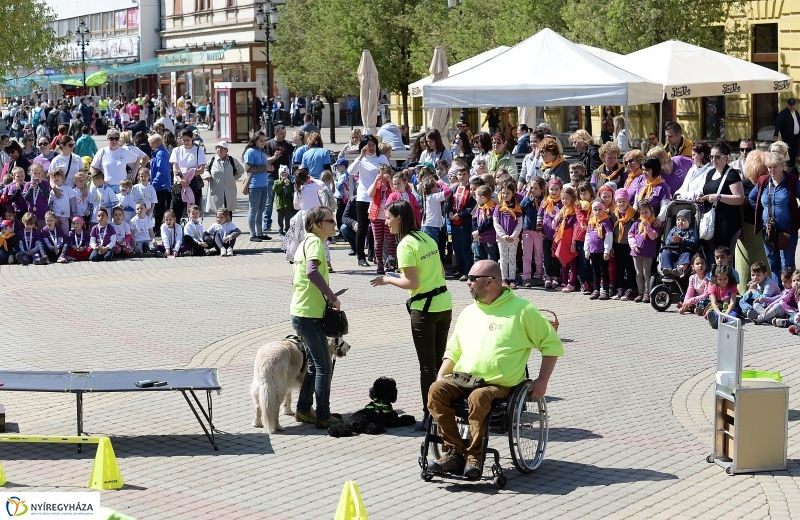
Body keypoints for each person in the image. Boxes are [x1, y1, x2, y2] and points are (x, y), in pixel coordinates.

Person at [426, 259, 563, 478]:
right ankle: (454, 452)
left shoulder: (522, 310)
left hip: (499, 384)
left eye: (472, 278)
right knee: (436, 391)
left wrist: (542, 380)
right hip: (464, 379)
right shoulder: (468, 312)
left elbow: (551, 344)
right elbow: (453, 350)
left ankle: (474, 456)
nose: (467, 282)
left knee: (478, 397)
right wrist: (441, 375)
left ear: (489, 281)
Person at [369, 199, 452, 428]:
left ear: (399, 218)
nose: (386, 222)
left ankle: (430, 415)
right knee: (440, 365)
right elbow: (441, 273)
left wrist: (387, 279)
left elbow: (411, 282)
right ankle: (444, 410)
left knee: (427, 366)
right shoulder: (426, 237)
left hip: (425, 309)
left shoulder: (405, 244)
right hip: (444, 304)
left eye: (388, 218)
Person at [291, 206, 342, 428]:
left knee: (314, 364)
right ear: (317, 224)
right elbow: (311, 271)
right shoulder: (314, 243)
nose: (334, 224)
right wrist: (332, 297)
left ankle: (303, 409)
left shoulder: (305, 243)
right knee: (324, 366)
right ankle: (323, 414)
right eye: (330, 220)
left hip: (303, 312)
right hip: (308, 315)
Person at [749, 151, 800, 278]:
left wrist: (797, 215)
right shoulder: (763, 181)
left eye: (775, 166)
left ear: (783, 166)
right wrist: (762, 212)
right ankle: (777, 290)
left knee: (787, 266)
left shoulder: (792, 181)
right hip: (768, 231)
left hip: (787, 231)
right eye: (769, 167)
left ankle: (790, 290)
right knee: (773, 265)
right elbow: (751, 197)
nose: (772, 170)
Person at [699, 140, 744, 261]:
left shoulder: (732, 174)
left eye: (717, 157)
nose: (713, 160)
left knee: (724, 258)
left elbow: (739, 198)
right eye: (711, 157)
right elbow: (708, 191)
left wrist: (719, 197)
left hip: (727, 223)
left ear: (726, 157)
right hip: (711, 221)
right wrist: (702, 197)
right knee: (711, 257)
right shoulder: (710, 173)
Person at [348, 135, 389, 267]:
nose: (371, 147)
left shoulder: (382, 158)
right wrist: (360, 157)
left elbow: (388, 173)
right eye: (368, 145)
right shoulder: (361, 159)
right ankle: (361, 257)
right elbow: (351, 171)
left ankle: (374, 254)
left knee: (376, 226)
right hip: (364, 197)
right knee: (363, 227)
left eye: (373, 145)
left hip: (378, 197)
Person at [736, 150, 770, 295]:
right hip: (748, 230)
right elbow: (740, 209)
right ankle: (744, 292)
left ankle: (766, 292)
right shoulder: (744, 185)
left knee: (764, 263)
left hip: (764, 230)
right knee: (746, 265)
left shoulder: (768, 184)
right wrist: (740, 228)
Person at [446, 164, 476, 281]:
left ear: (469, 175)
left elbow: (472, 208)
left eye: (464, 174)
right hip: (454, 223)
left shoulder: (470, 189)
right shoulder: (454, 189)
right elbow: (449, 204)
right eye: (459, 174)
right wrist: (449, 212)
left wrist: (461, 214)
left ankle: (467, 271)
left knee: (465, 247)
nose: (461, 176)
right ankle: (460, 269)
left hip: (464, 223)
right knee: (457, 248)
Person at [242, 132, 272, 241]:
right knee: (253, 210)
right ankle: (252, 234)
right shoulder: (250, 152)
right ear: (255, 141)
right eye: (261, 140)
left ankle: (259, 233)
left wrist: (269, 168)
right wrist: (264, 168)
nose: (263, 142)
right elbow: (248, 168)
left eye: (264, 140)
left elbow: (263, 166)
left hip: (264, 184)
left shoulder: (262, 151)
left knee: (261, 210)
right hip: (255, 185)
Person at [493, 180, 523, 287]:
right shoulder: (498, 208)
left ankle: (512, 279)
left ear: (513, 193)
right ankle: (504, 279)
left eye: (508, 193)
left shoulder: (517, 208)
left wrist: (513, 236)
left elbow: (519, 223)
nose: (505, 195)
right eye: (503, 193)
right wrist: (503, 235)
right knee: (503, 258)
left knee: (512, 259)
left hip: (513, 239)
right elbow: (496, 222)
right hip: (501, 239)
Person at [263, 124, 292, 232]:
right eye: (282, 133)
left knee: (286, 201)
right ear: (275, 132)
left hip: (285, 177)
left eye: (285, 133)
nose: (284, 135)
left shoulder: (288, 144)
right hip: (271, 176)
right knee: (269, 201)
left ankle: (287, 224)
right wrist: (274, 157)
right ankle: (267, 223)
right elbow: (266, 160)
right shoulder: (269, 144)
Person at [203, 141, 244, 217]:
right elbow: (205, 169)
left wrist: (233, 178)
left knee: (228, 211)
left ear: (226, 150)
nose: (219, 150)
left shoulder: (232, 160)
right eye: (218, 148)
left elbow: (241, 170)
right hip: (216, 190)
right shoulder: (212, 160)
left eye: (222, 148)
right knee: (218, 211)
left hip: (229, 190)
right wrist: (207, 175)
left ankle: (229, 224)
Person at [610, 188, 637, 299]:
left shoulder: (634, 214)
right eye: (619, 201)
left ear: (628, 201)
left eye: (623, 201)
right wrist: (611, 246)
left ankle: (630, 289)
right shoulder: (613, 214)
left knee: (629, 267)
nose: (621, 204)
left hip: (629, 245)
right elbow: (611, 231)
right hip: (617, 243)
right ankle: (620, 288)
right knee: (619, 267)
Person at [538, 178, 563, 290]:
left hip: (558, 236)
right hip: (546, 235)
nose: (554, 192)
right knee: (547, 256)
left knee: (557, 257)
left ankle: (556, 276)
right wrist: (539, 230)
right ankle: (548, 276)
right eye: (552, 189)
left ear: (560, 189)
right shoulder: (545, 202)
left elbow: (564, 217)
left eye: (557, 189)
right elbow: (540, 216)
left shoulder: (562, 202)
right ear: (548, 189)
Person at [552, 185, 578, 292]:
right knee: (563, 262)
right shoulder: (562, 211)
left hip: (570, 240)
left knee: (572, 263)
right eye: (563, 198)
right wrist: (556, 218)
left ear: (572, 198)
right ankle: (564, 283)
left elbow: (575, 228)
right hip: (562, 239)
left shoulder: (574, 212)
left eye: (567, 198)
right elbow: (554, 226)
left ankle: (571, 283)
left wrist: (573, 242)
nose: (564, 201)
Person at [659, 208, 699, 278]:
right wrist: (673, 241)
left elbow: (694, 242)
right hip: (673, 251)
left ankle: (680, 269)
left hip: (684, 251)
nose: (680, 222)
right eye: (678, 220)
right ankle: (667, 269)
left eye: (684, 220)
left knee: (687, 255)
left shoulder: (691, 231)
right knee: (665, 253)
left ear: (689, 222)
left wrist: (682, 240)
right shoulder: (673, 230)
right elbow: (667, 242)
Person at [586, 199, 613, 300]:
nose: (597, 212)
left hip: (602, 251)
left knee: (604, 271)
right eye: (595, 209)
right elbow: (588, 236)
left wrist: (607, 250)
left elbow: (609, 236)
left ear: (604, 209)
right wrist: (586, 250)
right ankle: (596, 289)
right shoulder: (591, 221)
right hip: (593, 250)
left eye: (600, 209)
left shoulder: (606, 221)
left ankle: (605, 290)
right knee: (595, 271)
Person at [520, 177, 545, 287]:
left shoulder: (544, 201)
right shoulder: (528, 200)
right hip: (527, 230)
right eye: (531, 187)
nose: (533, 190)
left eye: (535, 188)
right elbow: (521, 207)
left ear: (542, 189)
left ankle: (539, 275)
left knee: (539, 255)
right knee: (527, 255)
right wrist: (527, 194)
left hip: (538, 232)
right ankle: (526, 277)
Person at [706, 264, 739, 329]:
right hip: (718, 308)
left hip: (729, 308)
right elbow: (714, 303)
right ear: (716, 279)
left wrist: (726, 314)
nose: (723, 281)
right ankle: (714, 321)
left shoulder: (732, 287)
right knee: (714, 314)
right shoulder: (713, 287)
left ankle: (730, 322)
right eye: (720, 279)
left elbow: (732, 302)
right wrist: (720, 314)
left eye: (725, 279)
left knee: (732, 315)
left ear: (729, 277)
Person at [774, 98, 799, 167]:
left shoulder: (796, 113)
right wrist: (776, 134)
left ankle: (792, 167)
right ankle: (788, 168)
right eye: (790, 104)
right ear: (787, 105)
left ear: (795, 105)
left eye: (793, 104)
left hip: (796, 137)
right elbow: (778, 124)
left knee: (794, 153)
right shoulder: (783, 113)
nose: (791, 106)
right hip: (787, 137)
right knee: (788, 154)